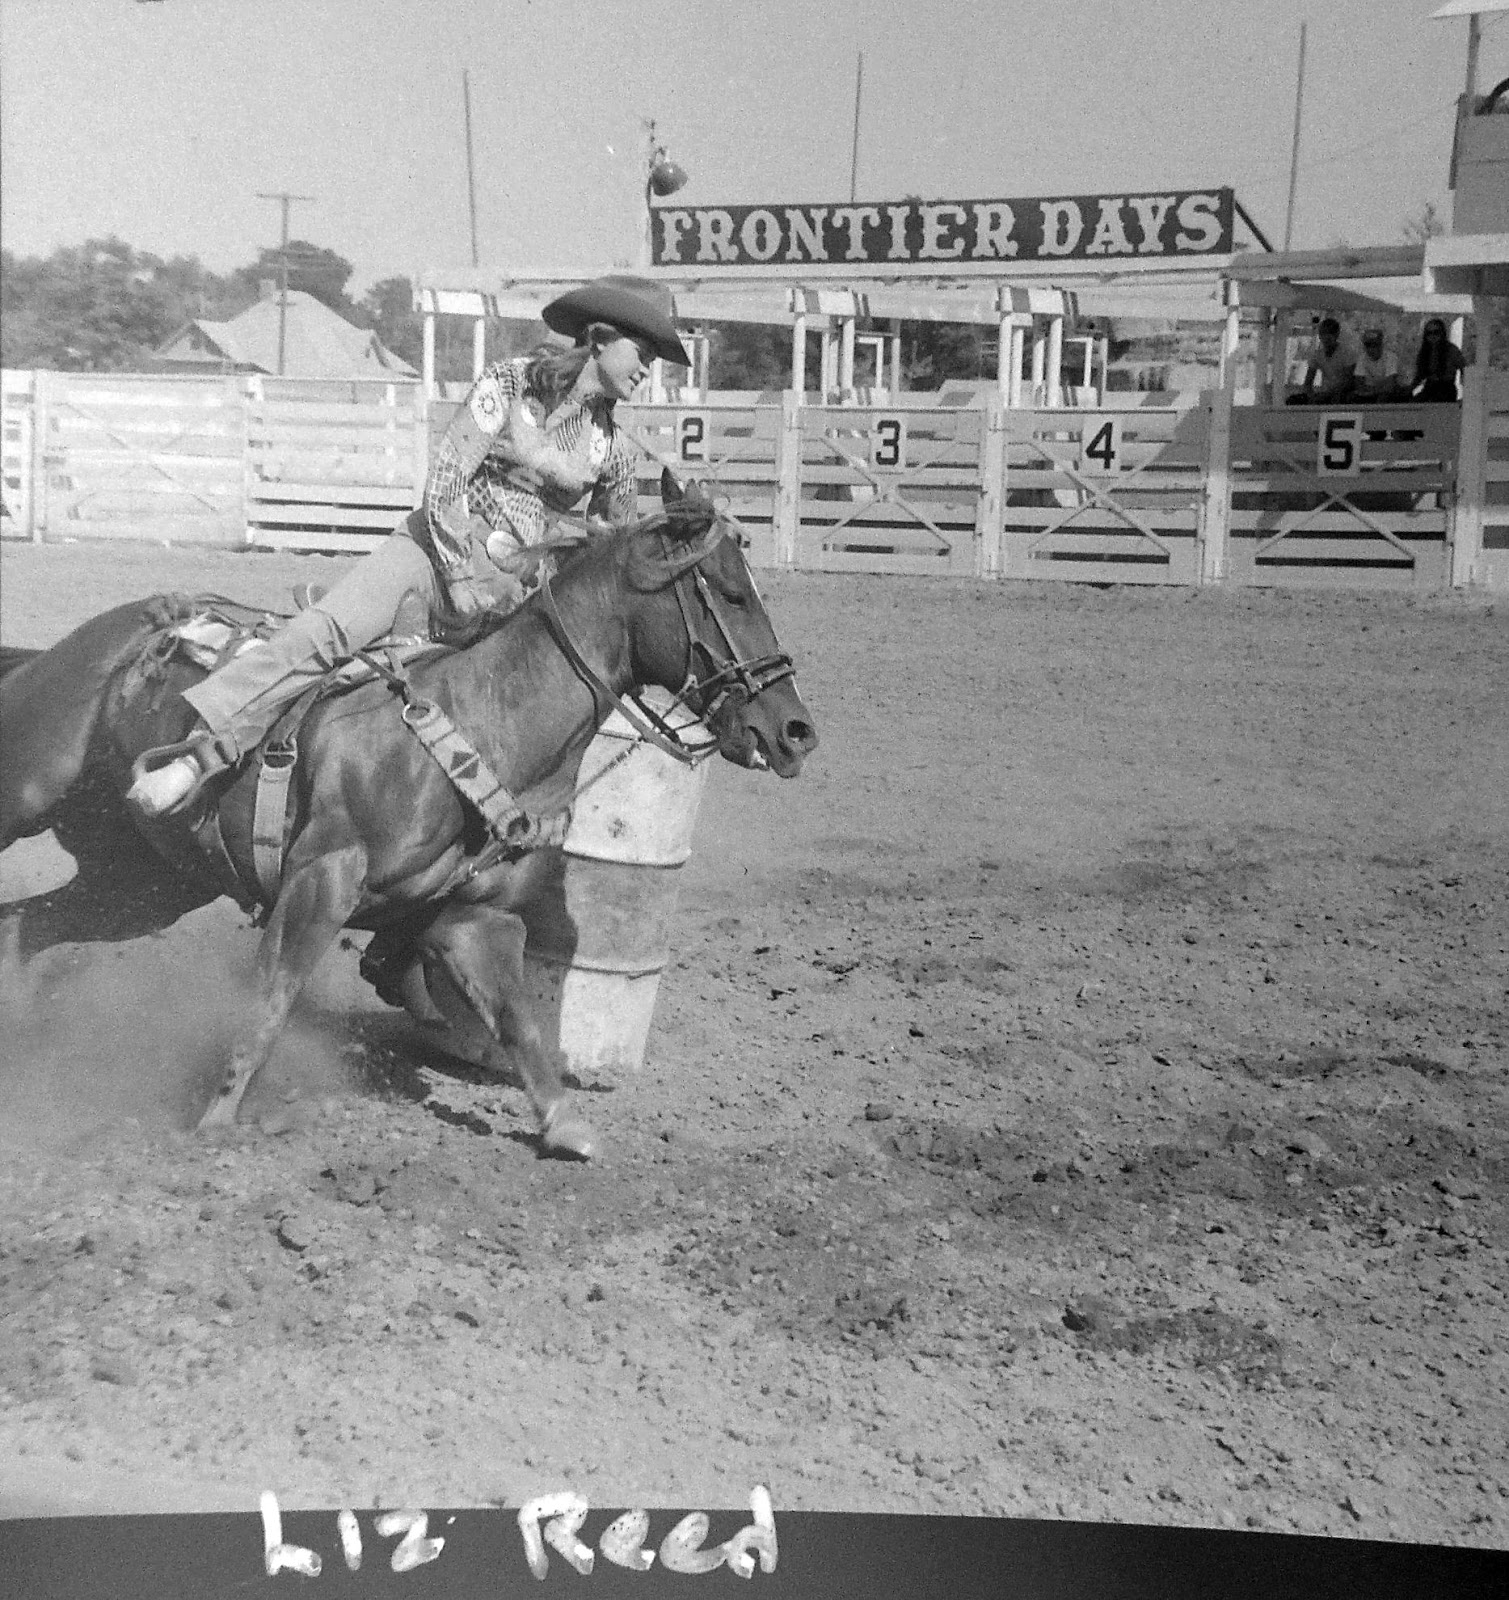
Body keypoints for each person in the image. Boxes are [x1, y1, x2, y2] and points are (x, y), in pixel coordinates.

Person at [126, 276, 691, 818]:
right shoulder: (509, 383)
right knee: (330, 633)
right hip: (429, 556)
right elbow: (447, 479)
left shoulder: (613, 448)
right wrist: (462, 579)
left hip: (515, 594)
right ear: (598, 338)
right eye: (643, 350)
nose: (648, 368)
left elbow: (616, 551)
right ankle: (199, 754)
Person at [1290, 316, 1357, 404]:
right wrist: (1311, 396)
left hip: (1342, 394)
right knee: (1293, 400)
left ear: (1336, 334)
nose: (1326, 337)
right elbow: (1308, 382)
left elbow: (1348, 381)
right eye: (1323, 333)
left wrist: (1330, 394)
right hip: (1324, 394)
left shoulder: (1347, 353)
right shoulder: (1317, 355)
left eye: (1330, 333)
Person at [1410, 318, 1465, 403]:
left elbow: (1464, 370)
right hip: (1429, 388)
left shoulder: (1451, 350)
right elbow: (1419, 376)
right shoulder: (1425, 352)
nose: (1433, 336)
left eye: (1436, 332)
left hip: (1446, 389)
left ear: (1442, 333)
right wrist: (1408, 390)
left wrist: (1466, 395)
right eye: (1429, 333)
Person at [1352, 326, 1402, 402]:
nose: (1371, 349)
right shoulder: (1362, 358)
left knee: (1384, 398)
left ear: (1381, 345)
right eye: (1368, 345)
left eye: (1375, 345)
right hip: (1369, 393)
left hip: (1384, 393)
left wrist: (1372, 391)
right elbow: (1358, 383)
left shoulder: (1390, 357)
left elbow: (1390, 385)